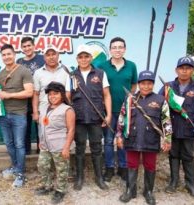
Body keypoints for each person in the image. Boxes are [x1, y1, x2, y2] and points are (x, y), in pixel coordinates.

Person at [116, 70, 172, 205]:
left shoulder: (160, 100)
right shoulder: (130, 99)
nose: (146, 86)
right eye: (143, 83)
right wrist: (119, 135)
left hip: (151, 139)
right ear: (139, 84)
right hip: (132, 138)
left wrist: (168, 138)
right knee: (132, 164)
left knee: (150, 166)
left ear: (153, 84)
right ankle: (130, 190)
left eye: (149, 83)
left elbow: (166, 120)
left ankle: (148, 192)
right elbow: (121, 118)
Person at [159, 56, 194, 199]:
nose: (184, 71)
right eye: (181, 68)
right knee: (173, 155)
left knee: (188, 156)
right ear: (176, 70)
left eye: (188, 68)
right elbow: (158, 103)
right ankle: (174, 181)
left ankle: (190, 184)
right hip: (172, 129)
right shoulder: (168, 86)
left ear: (192, 70)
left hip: (190, 128)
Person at [66, 44, 111, 190]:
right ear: (77, 59)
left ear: (91, 58)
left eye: (86, 56)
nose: (84, 59)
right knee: (79, 148)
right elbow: (67, 97)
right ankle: (79, 179)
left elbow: (106, 95)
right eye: (80, 57)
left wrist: (109, 114)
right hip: (78, 118)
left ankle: (99, 178)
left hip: (95, 117)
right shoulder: (72, 75)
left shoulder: (100, 74)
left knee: (97, 148)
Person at [97, 37, 138, 181]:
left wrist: (129, 101)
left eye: (120, 47)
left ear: (125, 49)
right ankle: (109, 168)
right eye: (114, 47)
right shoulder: (102, 66)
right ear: (110, 50)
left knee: (123, 139)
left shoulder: (131, 66)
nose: (117, 50)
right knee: (108, 140)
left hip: (126, 111)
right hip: (108, 110)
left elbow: (133, 86)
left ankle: (123, 167)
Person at [0, 44, 34, 187]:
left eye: (9, 54)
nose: (6, 57)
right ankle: (15, 166)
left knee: (19, 144)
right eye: (4, 55)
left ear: (14, 54)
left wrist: (9, 95)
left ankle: (21, 174)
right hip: (4, 115)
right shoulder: (0, 75)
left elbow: (29, 92)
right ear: (1, 57)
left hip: (19, 115)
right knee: (9, 143)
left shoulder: (24, 71)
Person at [34, 82, 75, 204]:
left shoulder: (67, 109)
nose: (52, 96)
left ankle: (60, 191)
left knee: (61, 170)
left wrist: (67, 147)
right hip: (45, 146)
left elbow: (71, 129)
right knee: (42, 166)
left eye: (55, 93)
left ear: (62, 95)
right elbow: (43, 126)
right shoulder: (45, 108)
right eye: (50, 94)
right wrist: (41, 140)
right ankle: (47, 186)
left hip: (60, 146)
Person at [32, 44, 69, 140]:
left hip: (62, 111)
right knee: (44, 138)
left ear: (58, 55)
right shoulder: (38, 73)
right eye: (48, 55)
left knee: (61, 138)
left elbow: (68, 93)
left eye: (53, 54)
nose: (51, 57)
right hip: (44, 111)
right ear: (44, 57)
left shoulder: (66, 71)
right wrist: (36, 112)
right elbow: (36, 94)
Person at [17, 36, 45, 155]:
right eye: (24, 46)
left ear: (34, 46)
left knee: (41, 125)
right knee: (25, 125)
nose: (27, 48)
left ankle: (41, 149)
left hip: (40, 97)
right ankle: (27, 151)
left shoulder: (42, 59)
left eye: (29, 45)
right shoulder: (19, 62)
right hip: (24, 99)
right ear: (21, 48)